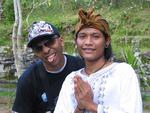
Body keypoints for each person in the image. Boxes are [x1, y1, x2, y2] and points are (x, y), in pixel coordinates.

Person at [54, 9, 143, 113]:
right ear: (76, 42)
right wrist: (80, 107)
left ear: (107, 41)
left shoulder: (123, 72)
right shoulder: (71, 80)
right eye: (82, 36)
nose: (88, 42)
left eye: (95, 36)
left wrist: (90, 105)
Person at [12, 21, 84, 113]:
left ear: (61, 41)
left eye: (50, 42)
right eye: (38, 48)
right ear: (35, 53)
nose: (45, 50)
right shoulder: (28, 80)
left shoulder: (82, 67)